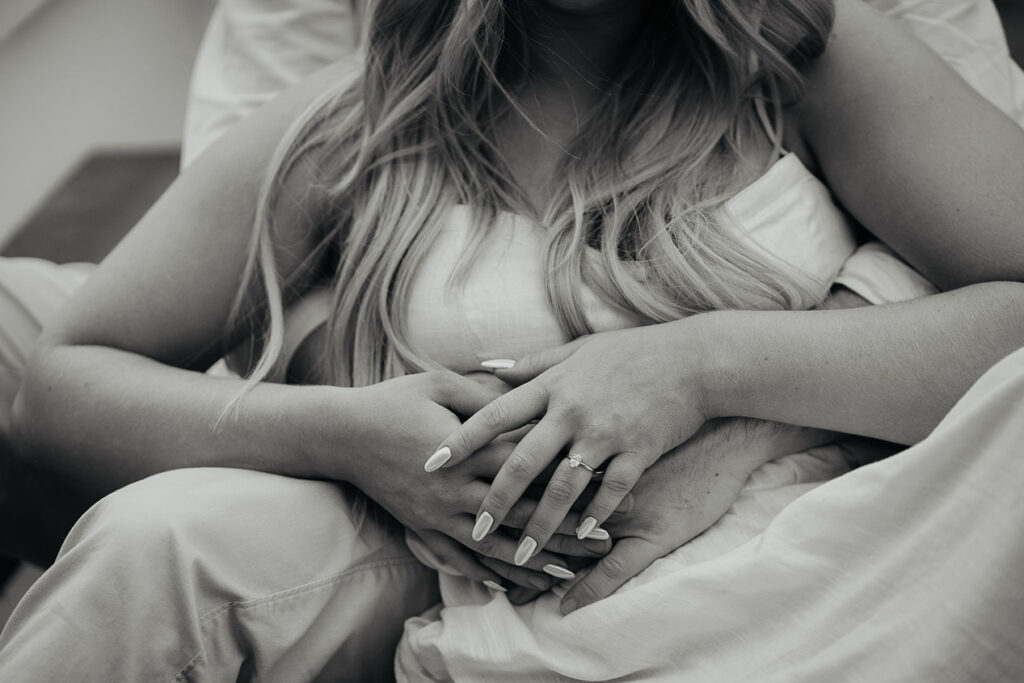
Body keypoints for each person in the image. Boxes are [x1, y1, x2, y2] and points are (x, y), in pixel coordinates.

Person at [0, 0, 1023, 681]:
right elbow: (63, 388)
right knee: (157, 538)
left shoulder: (797, 55)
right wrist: (343, 431)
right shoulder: (362, 116)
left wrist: (709, 369)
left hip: (803, 543)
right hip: (472, 572)